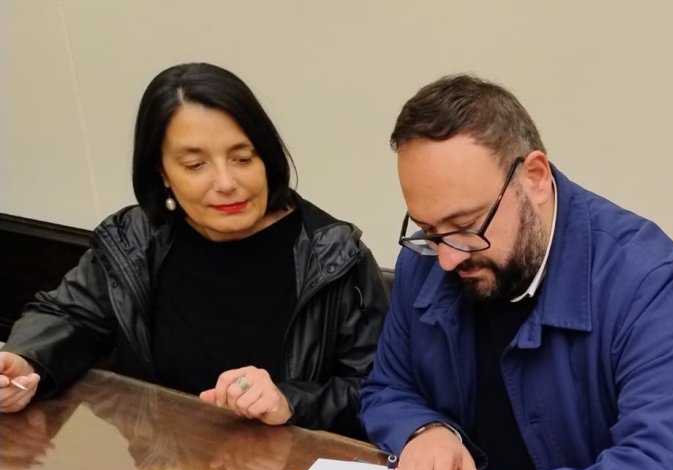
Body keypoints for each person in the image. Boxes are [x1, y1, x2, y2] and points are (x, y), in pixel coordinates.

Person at [359, 74, 673, 470]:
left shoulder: (644, 277)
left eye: (465, 225)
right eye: (428, 230)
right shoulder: (427, 260)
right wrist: (424, 430)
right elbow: (387, 388)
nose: (446, 259)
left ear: (534, 177)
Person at [0, 63, 387, 437]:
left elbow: (377, 388)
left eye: (242, 158)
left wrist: (291, 401)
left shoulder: (334, 254)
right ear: (162, 173)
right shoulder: (134, 240)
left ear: (267, 158)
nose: (226, 182)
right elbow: (69, 315)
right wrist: (26, 360)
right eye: (195, 164)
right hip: (168, 468)